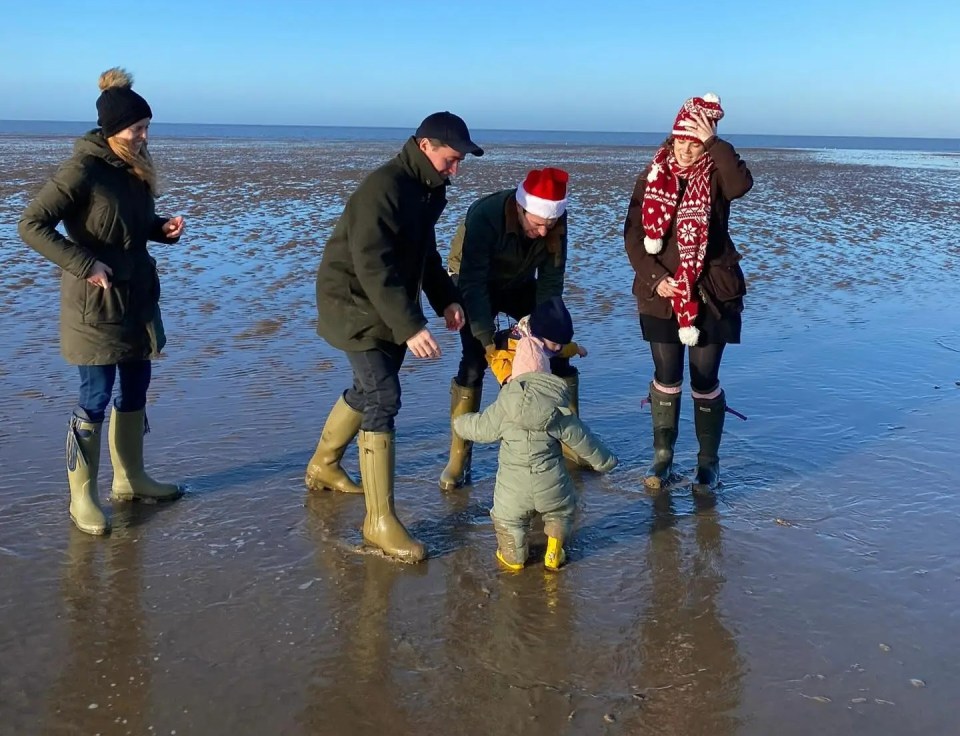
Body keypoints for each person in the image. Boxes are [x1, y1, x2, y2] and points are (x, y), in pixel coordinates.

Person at [306, 111, 483, 563]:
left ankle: (323, 465)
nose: (455, 169)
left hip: (386, 302)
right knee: (384, 396)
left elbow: (423, 253)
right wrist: (411, 327)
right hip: (352, 302)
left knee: (369, 389)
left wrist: (445, 298)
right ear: (425, 146)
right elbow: (372, 266)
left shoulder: (428, 189)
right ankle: (378, 522)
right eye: (450, 159)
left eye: (460, 161)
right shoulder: (383, 189)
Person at [18, 68, 185, 537]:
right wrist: (85, 264)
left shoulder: (133, 165)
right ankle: (82, 497)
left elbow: (131, 224)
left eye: (147, 127)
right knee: (94, 398)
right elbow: (31, 225)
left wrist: (161, 230)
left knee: (135, 390)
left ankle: (132, 480)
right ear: (114, 130)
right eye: (138, 129)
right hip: (94, 305)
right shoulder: (83, 168)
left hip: (136, 299)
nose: (145, 136)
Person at [623, 93, 753, 495]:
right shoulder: (651, 174)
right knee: (667, 375)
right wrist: (656, 278)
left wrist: (714, 144)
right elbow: (633, 235)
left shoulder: (716, 172)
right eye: (681, 139)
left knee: (704, 377)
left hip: (711, 292)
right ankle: (662, 458)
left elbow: (741, 184)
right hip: (661, 293)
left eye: (694, 141)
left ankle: (707, 464)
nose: (685, 147)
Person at [440, 166, 582, 490]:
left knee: (557, 349)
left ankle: (570, 442)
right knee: (474, 363)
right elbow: (473, 283)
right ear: (521, 208)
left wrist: (547, 330)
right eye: (537, 224)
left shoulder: (555, 223)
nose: (545, 232)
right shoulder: (485, 214)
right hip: (472, 283)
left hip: (519, 284)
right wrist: (488, 341)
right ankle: (459, 458)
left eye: (550, 225)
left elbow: (551, 281)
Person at [454, 337, 617, 571]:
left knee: (509, 521)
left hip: (513, 489)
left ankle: (515, 558)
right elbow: (584, 440)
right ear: (545, 374)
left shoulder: (504, 407)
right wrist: (606, 462)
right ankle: (553, 551)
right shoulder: (557, 410)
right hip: (551, 484)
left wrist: (460, 423)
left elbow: (479, 428)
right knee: (561, 511)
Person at [485, 296, 587, 386]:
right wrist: (507, 377)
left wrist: (577, 349)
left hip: (542, 379)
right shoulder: (508, 344)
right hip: (515, 380)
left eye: (560, 343)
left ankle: (567, 400)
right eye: (555, 344)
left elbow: (566, 348)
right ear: (537, 337)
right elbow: (494, 358)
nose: (558, 347)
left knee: (561, 361)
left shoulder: (552, 341)